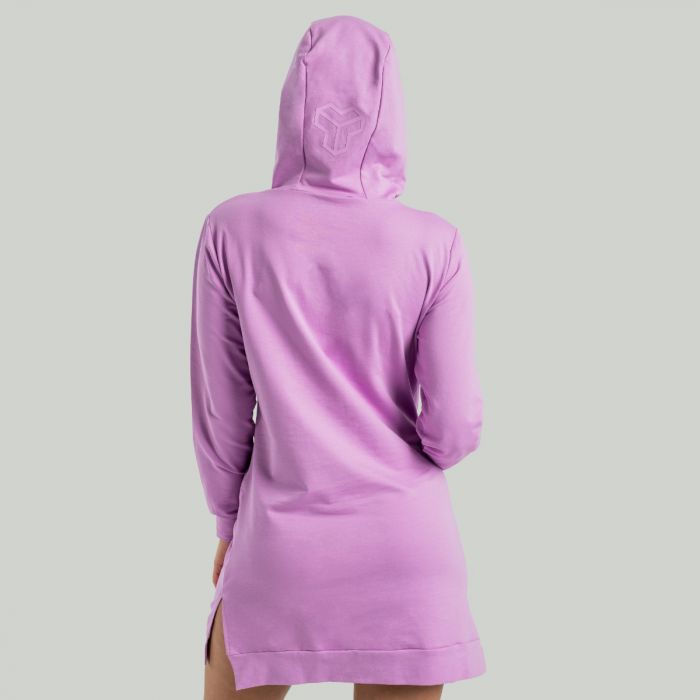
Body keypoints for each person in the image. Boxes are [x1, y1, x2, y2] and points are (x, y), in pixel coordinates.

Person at [190, 15, 485, 700]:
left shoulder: (231, 228)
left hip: (279, 545)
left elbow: (221, 412)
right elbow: (453, 428)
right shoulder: (434, 242)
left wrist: (228, 523)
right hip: (407, 549)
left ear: (293, 101)